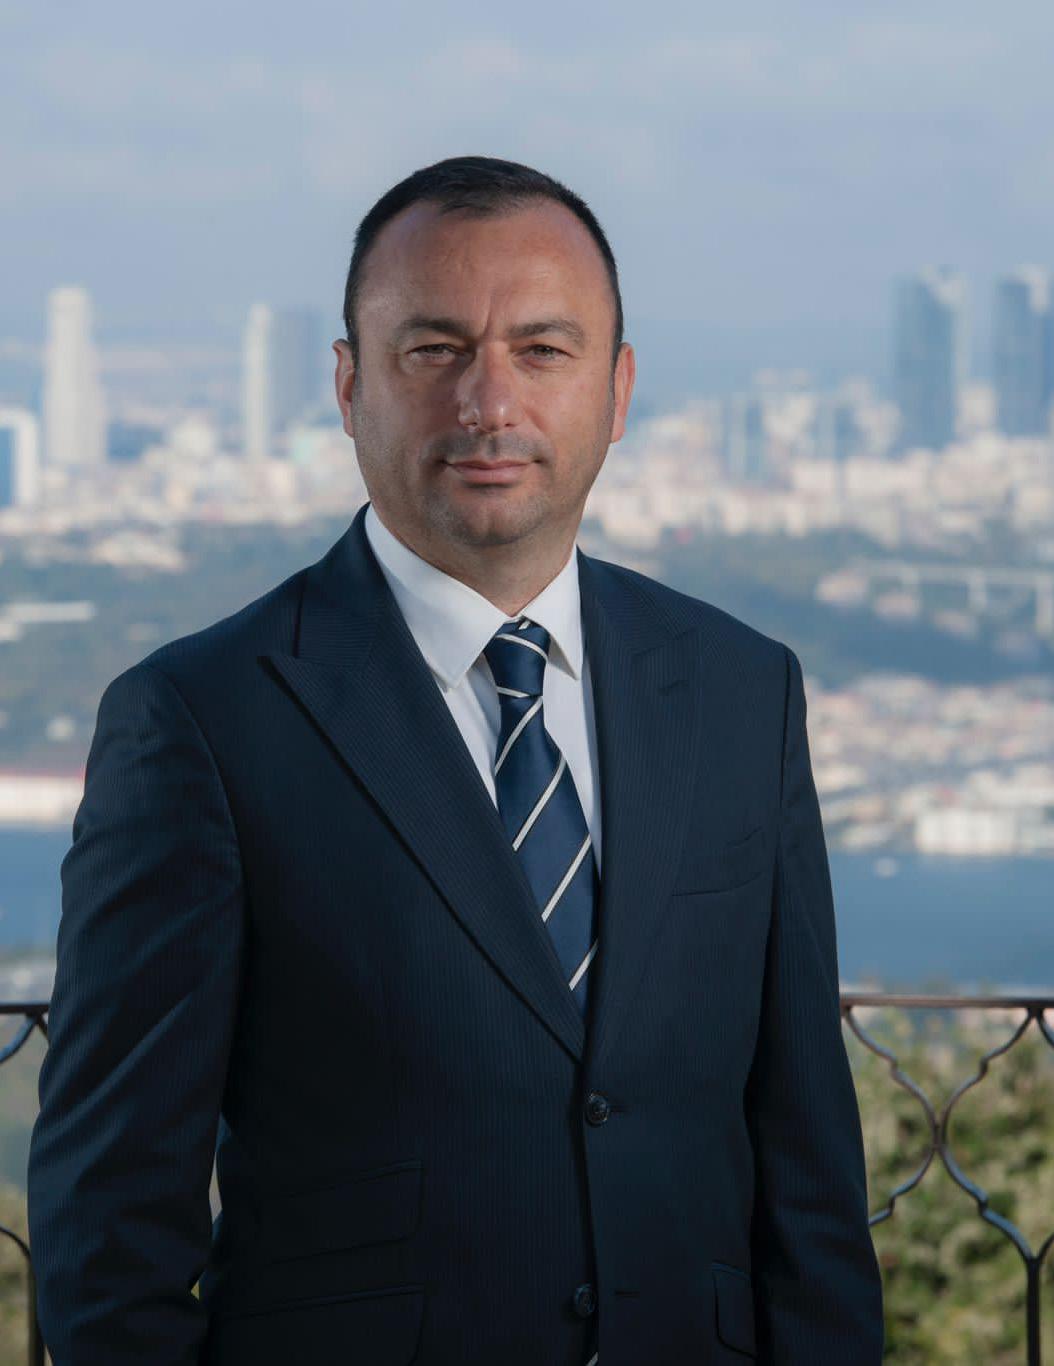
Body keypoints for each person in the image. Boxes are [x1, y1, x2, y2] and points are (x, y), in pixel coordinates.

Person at [27, 154, 884, 1364]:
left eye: (543, 350)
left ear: (618, 389)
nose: (489, 401)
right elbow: (109, 1219)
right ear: (348, 385)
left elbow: (809, 1167)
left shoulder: (744, 691)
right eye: (434, 350)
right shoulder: (199, 721)